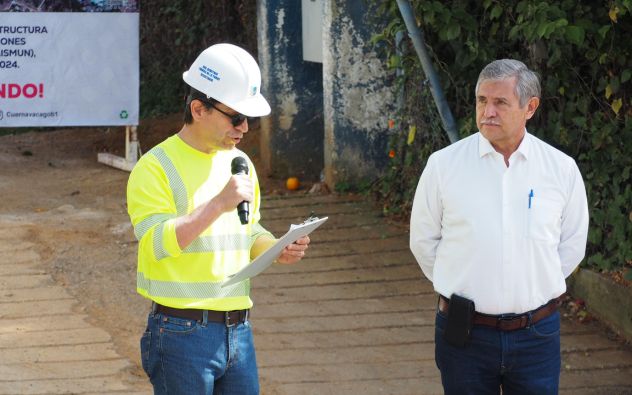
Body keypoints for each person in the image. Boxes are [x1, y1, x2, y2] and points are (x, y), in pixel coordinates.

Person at [126, 43, 310, 394]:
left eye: (249, 119)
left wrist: (276, 248)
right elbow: (155, 245)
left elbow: (248, 228)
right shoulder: (155, 167)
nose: (244, 128)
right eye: (236, 117)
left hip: (238, 331)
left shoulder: (240, 162)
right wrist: (216, 204)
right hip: (180, 333)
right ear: (198, 108)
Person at [409, 59, 589, 394]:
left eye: (500, 102)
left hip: (537, 335)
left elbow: (572, 244)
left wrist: (530, 287)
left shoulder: (561, 170)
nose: (487, 111)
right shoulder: (443, 166)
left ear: (529, 107)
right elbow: (423, 240)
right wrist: (460, 281)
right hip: (464, 335)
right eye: (482, 100)